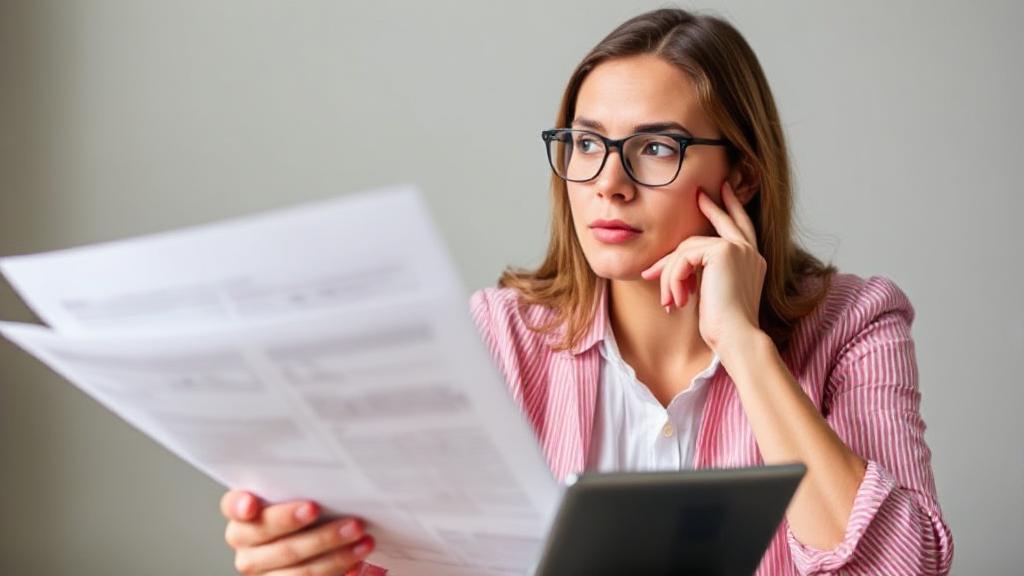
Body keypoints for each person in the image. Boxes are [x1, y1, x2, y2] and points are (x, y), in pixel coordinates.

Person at [218, 8, 954, 575]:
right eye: (586, 142)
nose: (609, 180)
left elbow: (904, 564)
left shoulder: (856, 323)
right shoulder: (498, 338)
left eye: (657, 147)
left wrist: (745, 344)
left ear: (744, 177)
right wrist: (310, 552)